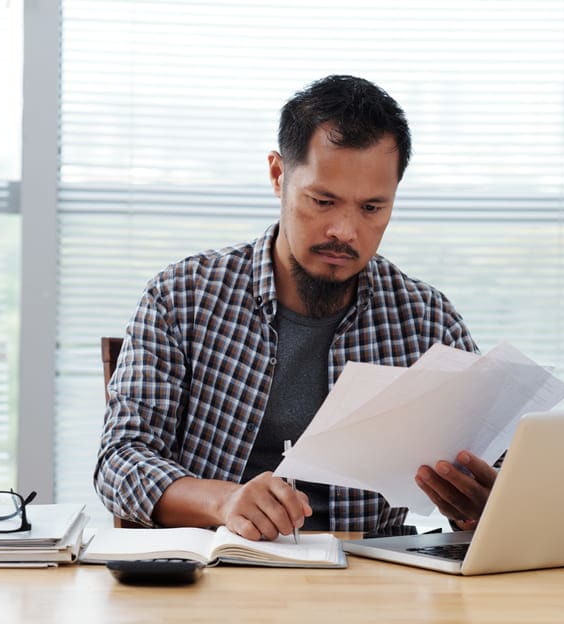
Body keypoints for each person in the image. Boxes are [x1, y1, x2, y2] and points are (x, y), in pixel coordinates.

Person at [96, 75, 497, 540]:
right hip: (220, 574)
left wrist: (484, 505)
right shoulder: (181, 298)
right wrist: (224, 500)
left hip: (374, 585)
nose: (345, 230)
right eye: (323, 201)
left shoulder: (426, 319)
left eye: (372, 208)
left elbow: (496, 475)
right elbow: (120, 462)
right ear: (277, 175)